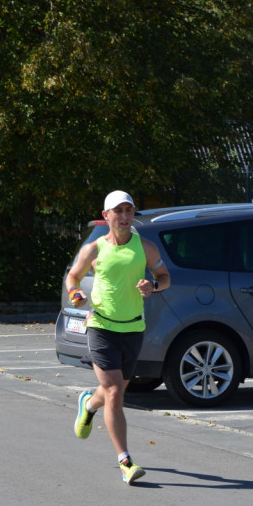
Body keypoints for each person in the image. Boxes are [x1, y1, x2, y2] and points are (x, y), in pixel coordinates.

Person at [66, 190, 170, 484]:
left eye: (129, 210)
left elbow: (165, 277)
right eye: (118, 211)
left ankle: (88, 404)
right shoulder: (94, 249)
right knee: (114, 393)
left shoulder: (145, 247)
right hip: (101, 326)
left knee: (112, 392)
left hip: (133, 328)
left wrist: (153, 286)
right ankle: (125, 461)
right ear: (106, 216)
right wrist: (75, 293)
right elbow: (73, 276)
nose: (124, 217)